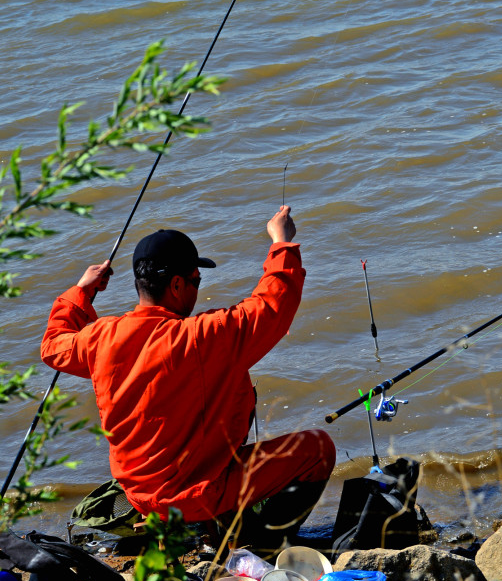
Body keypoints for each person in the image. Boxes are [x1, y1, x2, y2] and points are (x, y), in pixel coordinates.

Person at [41, 205, 335, 548]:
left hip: (139, 495)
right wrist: (281, 242)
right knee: (318, 449)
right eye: (196, 280)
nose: (197, 288)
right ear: (177, 285)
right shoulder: (202, 336)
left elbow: (52, 347)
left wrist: (82, 291)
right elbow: (273, 304)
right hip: (194, 496)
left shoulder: (100, 337)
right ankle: (262, 544)